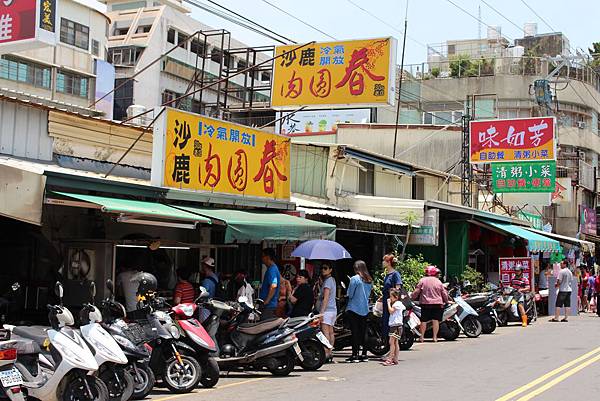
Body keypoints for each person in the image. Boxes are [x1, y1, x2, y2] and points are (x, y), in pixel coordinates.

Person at [345, 260, 373, 363]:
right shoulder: (369, 279)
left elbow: (350, 294)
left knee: (355, 332)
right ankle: (364, 354)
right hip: (365, 308)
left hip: (354, 308)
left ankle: (355, 355)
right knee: (364, 332)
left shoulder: (354, 279)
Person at [411, 266, 448, 342]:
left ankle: (421, 337)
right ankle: (435, 337)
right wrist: (446, 301)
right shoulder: (438, 281)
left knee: (423, 321)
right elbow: (444, 293)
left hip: (425, 303)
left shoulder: (422, 280)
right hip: (437, 303)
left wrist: (411, 297)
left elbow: (416, 292)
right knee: (435, 320)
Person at [317, 262, 337, 362]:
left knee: (325, 332)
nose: (323, 270)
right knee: (330, 332)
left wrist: (321, 312)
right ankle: (330, 352)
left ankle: (326, 352)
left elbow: (326, 298)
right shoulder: (332, 280)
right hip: (333, 309)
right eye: (322, 268)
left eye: (325, 268)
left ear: (330, 270)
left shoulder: (328, 281)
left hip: (327, 310)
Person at [380, 254, 402, 338]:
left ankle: (391, 344)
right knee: (385, 322)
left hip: (392, 303)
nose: (382, 262)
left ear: (388, 262)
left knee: (391, 323)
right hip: (386, 301)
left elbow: (398, 288)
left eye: (384, 261)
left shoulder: (395, 274)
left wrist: (393, 301)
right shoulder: (388, 274)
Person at [382, 288, 404, 367]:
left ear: (396, 297)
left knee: (391, 342)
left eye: (391, 296)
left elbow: (391, 311)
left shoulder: (396, 304)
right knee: (395, 342)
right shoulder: (399, 303)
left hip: (395, 325)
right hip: (396, 325)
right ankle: (395, 358)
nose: (390, 298)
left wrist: (388, 303)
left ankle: (390, 359)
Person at [259, 248, 280, 320]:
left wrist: (266, 302)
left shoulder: (272, 270)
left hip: (269, 306)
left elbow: (274, 286)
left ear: (267, 257)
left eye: (263, 256)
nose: (261, 258)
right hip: (269, 305)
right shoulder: (273, 269)